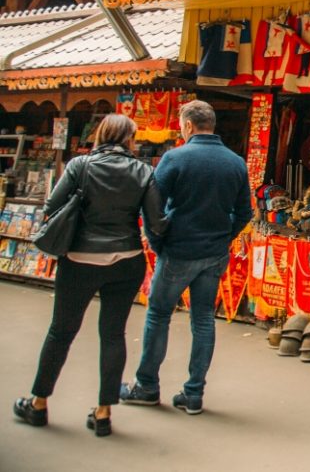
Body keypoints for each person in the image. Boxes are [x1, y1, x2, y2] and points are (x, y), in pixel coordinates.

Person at [13, 114, 166, 437]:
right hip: (126, 260)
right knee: (113, 334)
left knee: (60, 332)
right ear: (129, 139)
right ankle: (103, 412)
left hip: (80, 259)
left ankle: (38, 402)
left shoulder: (79, 166)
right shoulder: (143, 171)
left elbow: (52, 205)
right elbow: (156, 222)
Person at [120, 100, 252, 415]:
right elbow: (245, 211)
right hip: (213, 253)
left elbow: (152, 206)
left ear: (188, 126)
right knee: (203, 319)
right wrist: (224, 238)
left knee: (159, 314)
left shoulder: (175, 158)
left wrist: (157, 242)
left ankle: (147, 386)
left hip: (178, 251)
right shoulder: (235, 162)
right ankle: (193, 394)